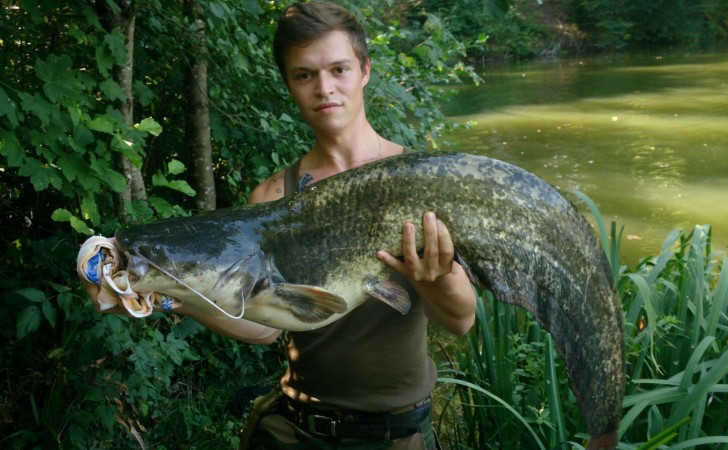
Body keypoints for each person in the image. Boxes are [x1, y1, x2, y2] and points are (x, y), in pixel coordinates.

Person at [83, 2, 476, 449]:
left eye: (339, 69)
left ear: (365, 70)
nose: (324, 88)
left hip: (398, 435)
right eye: (304, 74)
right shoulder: (272, 198)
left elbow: (460, 320)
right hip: (298, 429)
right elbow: (267, 326)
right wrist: (168, 295)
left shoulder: (419, 179)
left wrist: (436, 279)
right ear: (289, 84)